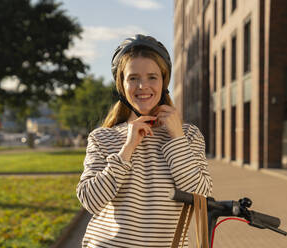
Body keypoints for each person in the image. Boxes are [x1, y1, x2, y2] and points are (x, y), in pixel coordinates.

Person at [76, 34, 213, 248]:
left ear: (163, 81)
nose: (142, 86)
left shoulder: (189, 136)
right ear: (122, 84)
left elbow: (201, 197)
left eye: (152, 77)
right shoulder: (102, 137)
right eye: (133, 78)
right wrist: (127, 148)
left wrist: (177, 139)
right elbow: (91, 201)